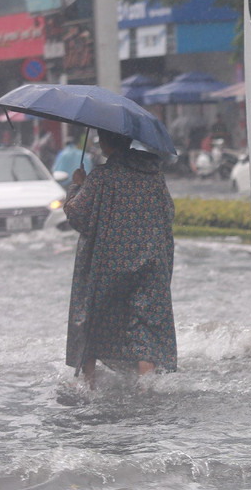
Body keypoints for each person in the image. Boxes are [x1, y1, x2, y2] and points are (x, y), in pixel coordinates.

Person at [63, 130, 177, 388]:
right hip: (150, 262)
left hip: (107, 263)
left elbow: (78, 216)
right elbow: (168, 212)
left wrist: (76, 186)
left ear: (104, 143)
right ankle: (148, 386)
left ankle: (88, 384)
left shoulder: (101, 178)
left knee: (93, 317)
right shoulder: (154, 174)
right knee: (146, 322)